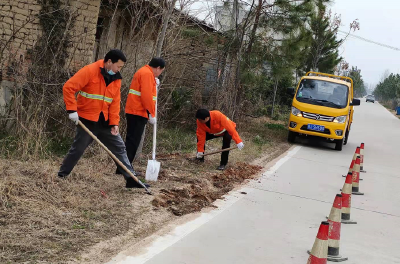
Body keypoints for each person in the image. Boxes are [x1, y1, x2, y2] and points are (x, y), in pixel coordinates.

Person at [58, 49, 148, 189]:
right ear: (109, 62)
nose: (119, 69)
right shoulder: (89, 71)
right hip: (87, 120)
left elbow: (114, 102)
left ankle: (131, 179)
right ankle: (62, 175)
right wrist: (72, 110)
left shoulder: (116, 79)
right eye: (118, 66)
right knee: (78, 149)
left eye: (121, 67)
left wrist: (114, 123)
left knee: (119, 148)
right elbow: (68, 87)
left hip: (105, 122)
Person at [115, 57, 165, 175]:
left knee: (131, 141)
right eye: (161, 71)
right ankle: (125, 168)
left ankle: (123, 168)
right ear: (158, 68)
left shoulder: (144, 72)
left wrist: (154, 83)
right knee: (133, 142)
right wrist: (151, 114)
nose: (160, 73)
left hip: (135, 111)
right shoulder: (147, 74)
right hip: (138, 112)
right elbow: (146, 96)